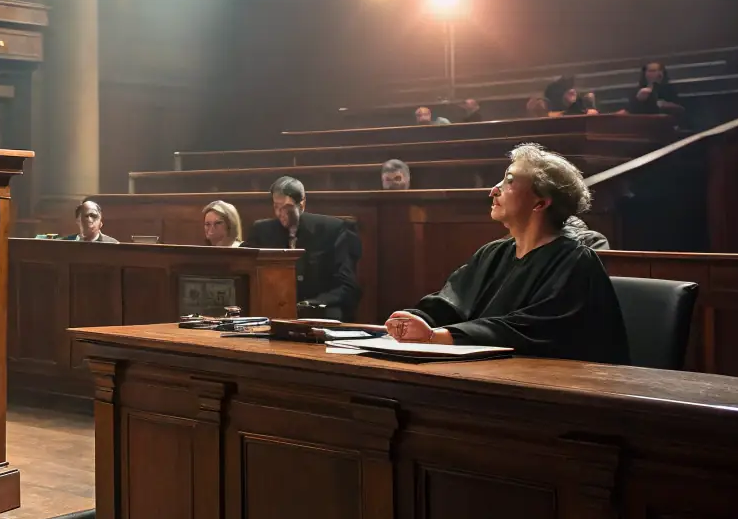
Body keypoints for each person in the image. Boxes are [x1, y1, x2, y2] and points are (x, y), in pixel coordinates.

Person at [383, 144, 629, 363]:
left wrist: (440, 336)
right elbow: (451, 302)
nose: (494, 190)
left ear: (540, 203)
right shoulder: (493, 253)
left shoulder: (576, 261)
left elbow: (531, 332)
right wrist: (412, 320)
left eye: (509, 181)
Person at [245, 177, 361, 319]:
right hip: (272, 311)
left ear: (302, 204)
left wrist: (310, 304)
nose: (280, 213)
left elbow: (347, 286)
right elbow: (243, 270)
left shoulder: (333, 230)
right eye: (276, 206)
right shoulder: (261, 231)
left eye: (287, 208)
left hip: (318, 312)